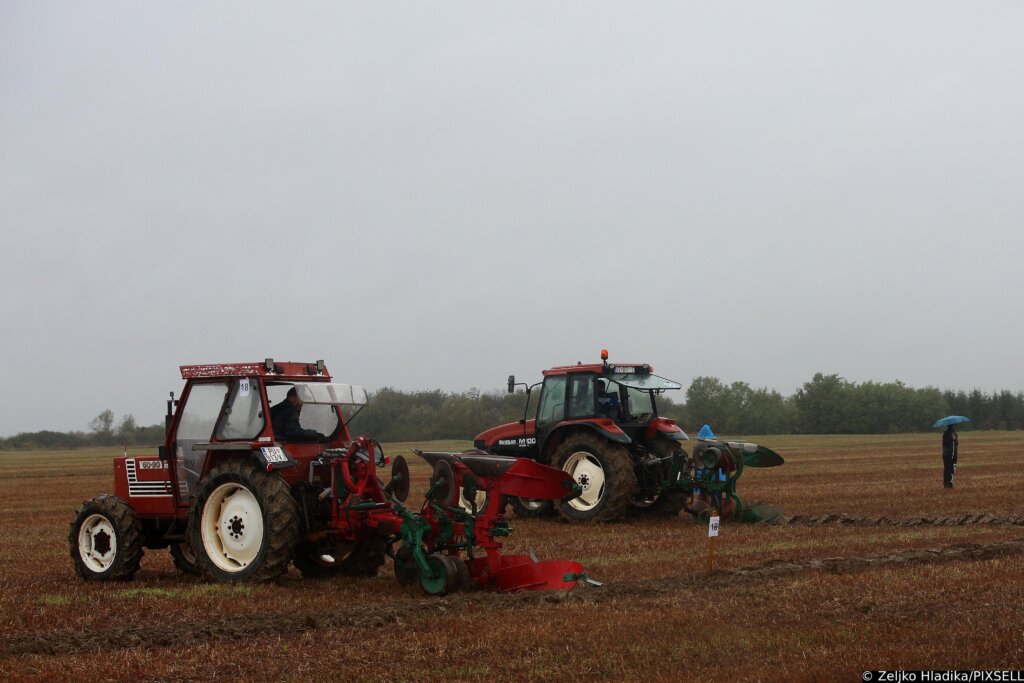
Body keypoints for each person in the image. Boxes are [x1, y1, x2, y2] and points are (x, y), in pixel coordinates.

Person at [942, 424, 958, 488]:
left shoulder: (955, 433)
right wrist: (951, 439)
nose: (954, 427)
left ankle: (951, 483)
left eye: (955, 425)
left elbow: (957, 443)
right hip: (947, 455)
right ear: (950, 426)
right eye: (953, 425)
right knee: (947, 469)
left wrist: (955, 440)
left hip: (954, 455)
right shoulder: (946, 433)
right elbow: (945, 443)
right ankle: (946, 484)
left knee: (953, 469)